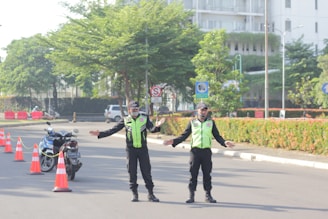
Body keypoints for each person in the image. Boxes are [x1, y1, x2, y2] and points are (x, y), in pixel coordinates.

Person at [89, 100, 165, 202]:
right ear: (129, 110)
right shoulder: (125, 120)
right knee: (132, 172)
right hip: (131, 150)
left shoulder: (144, 118)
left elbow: (152, 129)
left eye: (137, 109)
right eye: (133, 109)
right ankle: (135, 194)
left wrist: (158, 126)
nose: (135, 111)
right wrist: (100, 134)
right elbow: (113, 130)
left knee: (146, 172)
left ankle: (151, 194)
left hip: (143, 150)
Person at [163, 102, 234, 203]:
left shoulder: (211, 122)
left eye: (205, 110)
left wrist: (224, 142)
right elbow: (184, 135)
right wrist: (173, 141)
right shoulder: (192, 122)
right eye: (202, 110)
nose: (203, 112)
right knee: (193, 174)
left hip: (206, 151)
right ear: (197, 110)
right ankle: (191, 195)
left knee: (207, 174)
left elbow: (217, 136)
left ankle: (208, 195)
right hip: (195, 152)